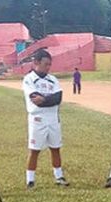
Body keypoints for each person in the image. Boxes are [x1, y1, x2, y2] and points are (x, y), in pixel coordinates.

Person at [22, 49, 69, 188]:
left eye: (50, 64)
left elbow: (58, 98)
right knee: (35, 150)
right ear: (36, 62)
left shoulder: (53, 79)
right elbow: (34, 98)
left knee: (56, 148)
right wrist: (48, 99)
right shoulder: (29, 79)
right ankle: (30, 179)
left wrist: (44, 99)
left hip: (53, 118)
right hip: (37, 118)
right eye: (45, 64)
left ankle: (59, 176)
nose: (48, 67)